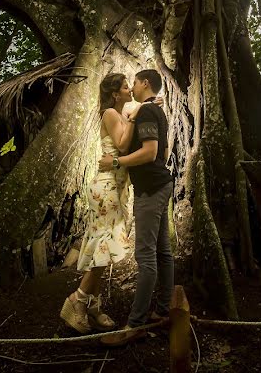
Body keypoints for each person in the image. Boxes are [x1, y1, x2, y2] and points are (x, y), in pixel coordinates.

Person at [98, 69, 173, 346]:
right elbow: (161, 152)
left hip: (151, 190)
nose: (132, 87)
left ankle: (135, 324)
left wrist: (117, 162)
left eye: (134, 82)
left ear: (144, 83)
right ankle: (163, 309)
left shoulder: (146, 113)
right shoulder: (153, 111)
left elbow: (151, 152)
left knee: (145, 257)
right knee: (163, 252)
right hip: (159, 184)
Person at [60, 73, 140, 333]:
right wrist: (135, 116)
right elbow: (122, 145)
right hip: (106, 186)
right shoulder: (110, 114)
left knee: (102, 247)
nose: (129, 90)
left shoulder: (118, 115)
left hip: (113, 186)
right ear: (116, 94)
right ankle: (78, 300)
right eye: (125, 87)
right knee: (106, 246)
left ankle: (93, 305)